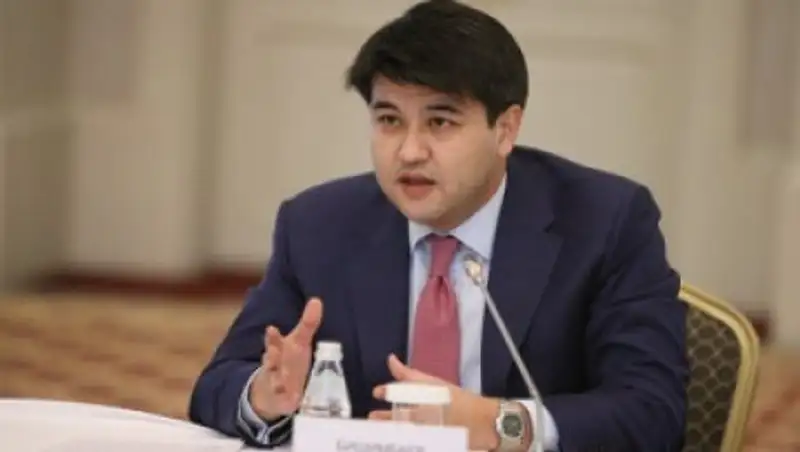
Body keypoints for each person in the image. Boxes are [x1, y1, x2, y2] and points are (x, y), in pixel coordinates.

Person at [188, 1, 689, 450]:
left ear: (505, 129)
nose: (409, 151)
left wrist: (500, 424)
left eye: (440, 122)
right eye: (389, 120)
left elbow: (653, 411)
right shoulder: (319, 226)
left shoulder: (604, 222)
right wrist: (265, 395)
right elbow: (217, 385)